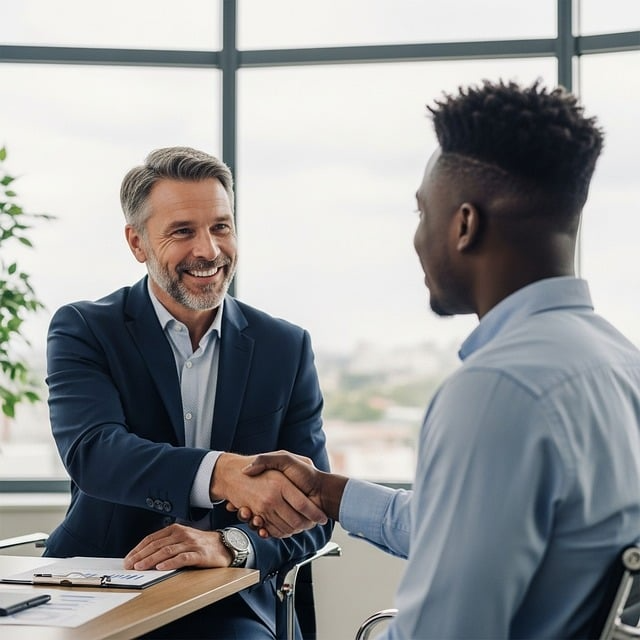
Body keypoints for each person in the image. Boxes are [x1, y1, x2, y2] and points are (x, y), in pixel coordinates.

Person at [237, 79, 640, 638]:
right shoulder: (618, 362)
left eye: (423, 213)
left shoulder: (498, 390)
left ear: (465, 225)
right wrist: (326, 491)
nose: (417, 238)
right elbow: (476, 530)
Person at [44, 146, 332, 639]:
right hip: (97, 583)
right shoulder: (85, 329)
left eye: (221, 226)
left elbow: (313, 510)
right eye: (183, 231)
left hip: (228, 596)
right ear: (137, 243)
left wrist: (230, 544)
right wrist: (222, 473)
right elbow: (94, 453)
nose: (209, 251)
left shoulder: (284, 346)